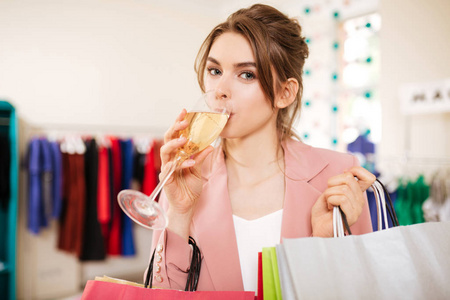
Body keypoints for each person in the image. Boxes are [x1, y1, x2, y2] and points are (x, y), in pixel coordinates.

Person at [148, 3, 375, 292]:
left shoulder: (337, 176)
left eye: (246, 75)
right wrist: (179, 214)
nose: (220, 90)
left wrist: (323, 245)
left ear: (285, 93)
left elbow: (360, 291)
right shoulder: (185, 177)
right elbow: (159, 296)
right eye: (215, 70)